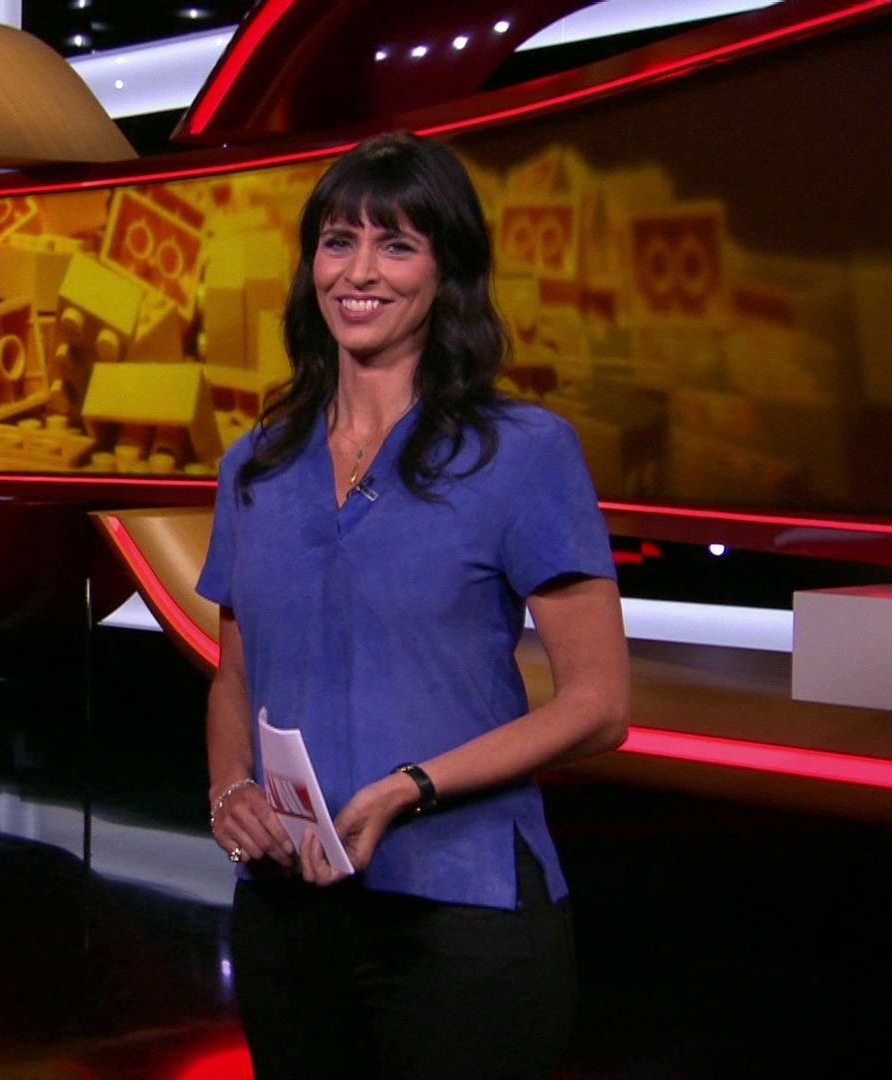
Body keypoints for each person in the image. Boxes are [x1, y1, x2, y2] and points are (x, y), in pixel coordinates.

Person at [196, 131, 629, 1080]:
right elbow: (234, 675)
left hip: (463, 916)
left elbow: (599, 706)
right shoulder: (255, 465)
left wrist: (408, 787)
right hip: (289, 912)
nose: (360, 272)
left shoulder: (524, 453)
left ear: (446, 271)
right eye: (338, 242)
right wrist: (230, 790)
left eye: (396, 245)